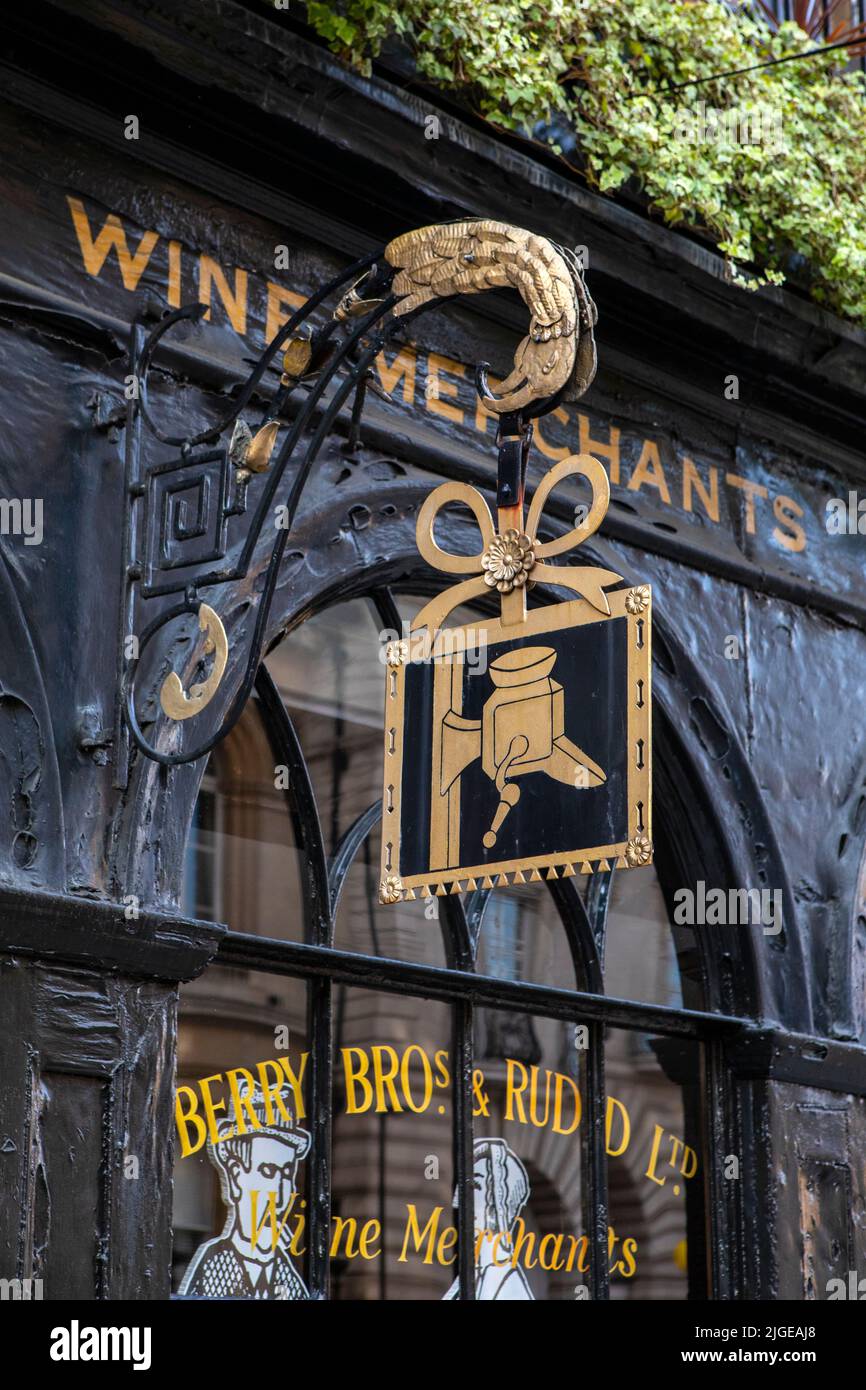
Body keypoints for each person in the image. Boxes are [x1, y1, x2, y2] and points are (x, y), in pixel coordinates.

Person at [179, 1084, 311, 1299]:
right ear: (236, 1176)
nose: (279, 1194)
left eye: (286, 1174)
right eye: (268, 1171)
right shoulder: (214, 1264)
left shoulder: (288, 1276)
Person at [444, 1137, 534, 1300]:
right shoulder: (473, 1275)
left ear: (498, 1204)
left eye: (475, 1188)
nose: (458, 1202)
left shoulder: (506, 1281)